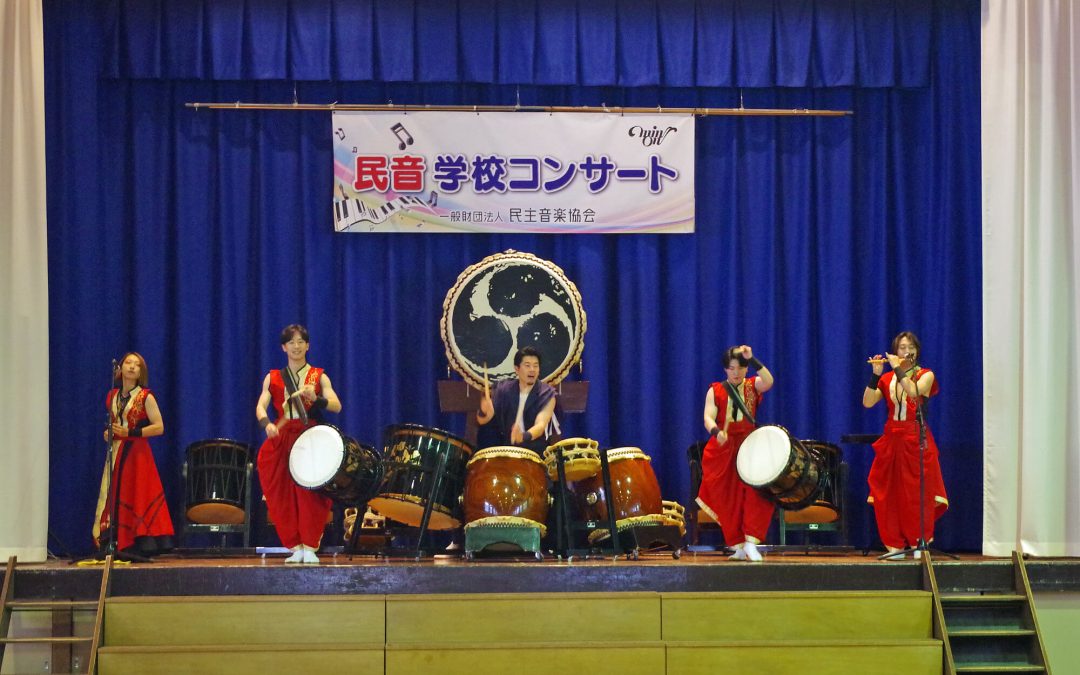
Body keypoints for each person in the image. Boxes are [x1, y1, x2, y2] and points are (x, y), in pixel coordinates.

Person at [255, 324, 341, 564]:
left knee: (309, 492)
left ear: (308, 345)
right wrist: (267, 424)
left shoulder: (318, 375)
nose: (296, 346)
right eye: (291, 342)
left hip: (309, 436)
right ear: (284, 347)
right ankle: (295, 546)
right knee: (281, 491)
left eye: (300, 341)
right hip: (282, 437)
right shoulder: (272, 377)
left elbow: (336, 405)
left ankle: (311, 545)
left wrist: (317, 398)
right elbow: (261, 406)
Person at [863, 331, 948, 558]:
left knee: (916, 494)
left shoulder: (925, 375)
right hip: (892, 438)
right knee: (889, 493)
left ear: (917, 350)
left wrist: (898, 369)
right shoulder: (887, 379)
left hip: (915, 437)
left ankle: (919, 541)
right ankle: (894, 545)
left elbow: (912, 392)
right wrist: (876, 375)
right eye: (902, 347)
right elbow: (868, 402)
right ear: (895, 350)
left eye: (910, 347)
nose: (907, 351)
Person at [696, 345, 775, 562]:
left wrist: (754, 359)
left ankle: (751, 542)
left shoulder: (752, 386)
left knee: (756, 493)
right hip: (723, 449)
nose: (736, 372)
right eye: (732, 368)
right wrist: (716, 431)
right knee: (728, 498)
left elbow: (769, 381)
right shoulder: (716, 390)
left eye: (741, 368)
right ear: (725, 369)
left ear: (746, 369)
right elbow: (708, 417)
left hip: (749, 446)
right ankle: (738, 544)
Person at [93, 352, 175, 556]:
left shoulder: (146, 396)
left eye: (136, 365)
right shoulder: (112, 395)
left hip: (137, 453)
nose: (131, 367)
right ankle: (115, 539)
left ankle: (140, 541)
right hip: (117, 451)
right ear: (120, 369)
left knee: (137, 492)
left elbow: (159, 427)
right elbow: (115, 422)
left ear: (141, 372)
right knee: (116, 491)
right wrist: (109, 433)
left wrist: (131, 432)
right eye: (128, 363)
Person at [476, 346, 560, 454]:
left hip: (535, 452)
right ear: (517, 369)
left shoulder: (547, 393)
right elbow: (483, 421)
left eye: (536, 366)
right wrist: (486, 415)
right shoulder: (503, 389)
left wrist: (523, 436)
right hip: (505, 450)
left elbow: (540, 425)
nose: (532, 370)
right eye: (527, 365)